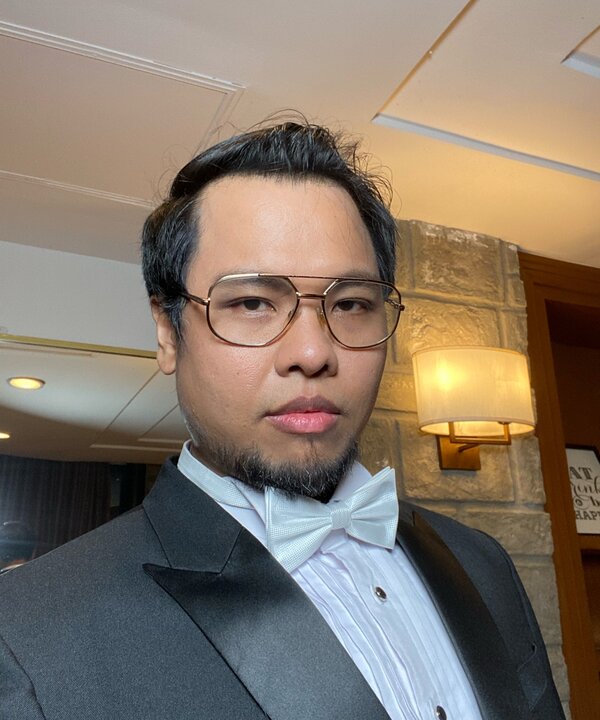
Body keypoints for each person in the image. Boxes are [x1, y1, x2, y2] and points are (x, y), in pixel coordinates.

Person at [0, 121, 564, 720]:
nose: (314, 353)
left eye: (351, 303)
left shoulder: (482, 562)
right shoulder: (28, 632)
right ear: (167, 331)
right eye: (252, 303)